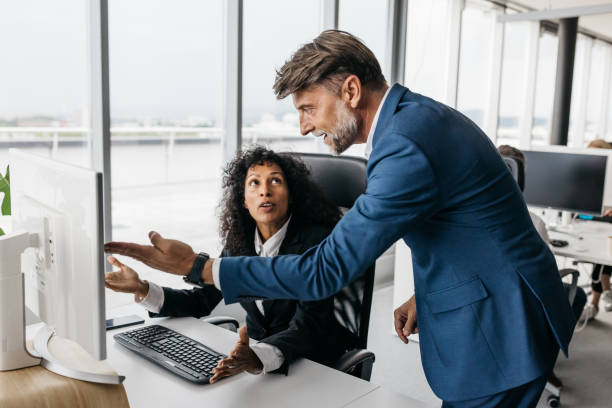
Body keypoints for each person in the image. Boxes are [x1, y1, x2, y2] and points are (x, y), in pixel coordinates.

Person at [106, 30, 576, 406]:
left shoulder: (405, 145)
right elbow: (464, 228)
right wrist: (425, 295)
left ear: (350, 90)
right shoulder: (412, 122)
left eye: (308, 108)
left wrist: (198, 266)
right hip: (493, 294)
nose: (304, 126)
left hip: (502, 322)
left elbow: (324, 270)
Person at [105, 146, 355, 383]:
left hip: (312, 366)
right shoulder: (239, 243)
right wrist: (143, 290)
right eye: (254, 183)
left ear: (291, 195)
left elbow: (308, 326)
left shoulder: (318, 242)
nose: (265, 191)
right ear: (244, 201)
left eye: (275, 181)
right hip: (257, 367)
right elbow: (202, 299)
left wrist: (257, 357)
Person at [498, 144, 587, 390]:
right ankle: (546, 360)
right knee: (577, 294)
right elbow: (544, 273)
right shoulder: (534, 222)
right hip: (526, 304)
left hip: (494, 304)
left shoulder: (472, 220)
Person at [580, 139, 612, 321]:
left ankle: (594, 302)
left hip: (608, 223)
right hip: (592, 221)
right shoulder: (588, 175)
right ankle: (606, 290)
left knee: (602, 254)